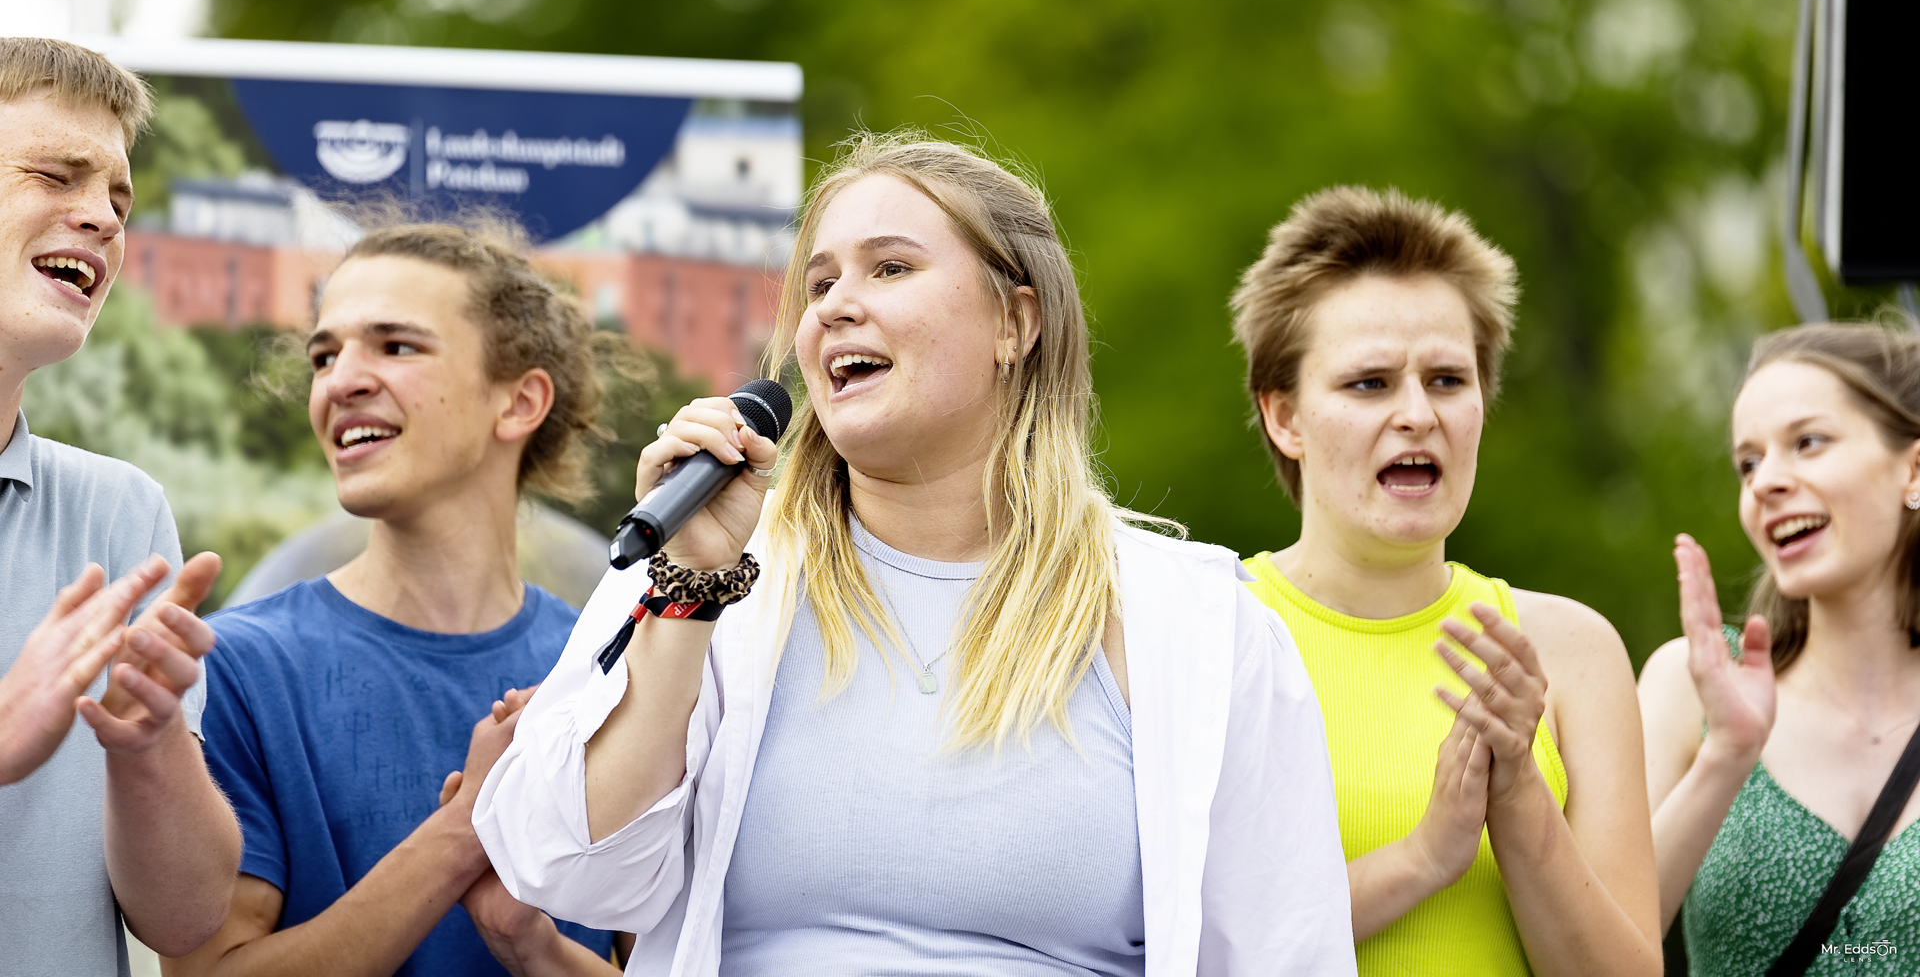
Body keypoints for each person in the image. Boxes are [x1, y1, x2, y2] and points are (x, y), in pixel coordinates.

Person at [473, 134, 1356, 975]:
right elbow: (570, 872)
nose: (835, 306)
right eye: (818, 285)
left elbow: (1288, 956)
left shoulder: (1196, 622)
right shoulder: (704, 563)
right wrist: (691, 589)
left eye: (890, 268)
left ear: (1016, 322)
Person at [167, 221, 632, 976]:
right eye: (325, 354)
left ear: (518, 403)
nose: (339, 380)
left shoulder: (616, 673)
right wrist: (465, 831)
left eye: (395, 346)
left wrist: (532, 944)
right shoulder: (239, 669)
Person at [1229, 186, 1661, 977]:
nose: (1418, 414)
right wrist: (1423, 859)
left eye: (1448, 380)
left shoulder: (1573, 650)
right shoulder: (1209, 633)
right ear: (1283, 417)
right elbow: (1175, 948)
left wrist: (1521, 793)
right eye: (1369, 383)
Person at [0, 36, 242, 972]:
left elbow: (184, 923)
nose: (101, 217)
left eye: (118, 197)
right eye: (57, 175)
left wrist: (148, 751)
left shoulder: (119, 512)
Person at [1639, 320, 1920, 974]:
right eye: (1749, 462)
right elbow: (1587, 949)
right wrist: (1725, 756)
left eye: (1808, 442)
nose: (1766, 481)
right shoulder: (1689, 684)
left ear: (1913, 469)